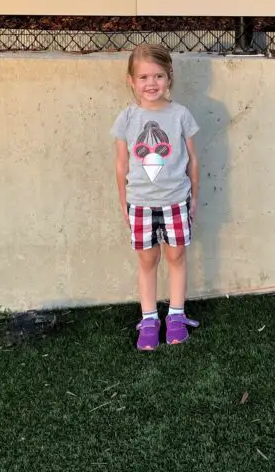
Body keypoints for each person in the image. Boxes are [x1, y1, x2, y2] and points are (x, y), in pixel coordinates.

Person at [110, 44, 201, 350]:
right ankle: (149, 319)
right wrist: (124, 201)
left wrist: (195, 198)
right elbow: (121, 164)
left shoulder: (180, 115)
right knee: (148, 260)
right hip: (141, 203)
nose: (152, 83)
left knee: (176, 256)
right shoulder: (127, 118)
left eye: (158, 76)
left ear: (169, 77)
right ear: (131, 81)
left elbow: (192, 160)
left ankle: (176, 315)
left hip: (176, 200)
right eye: (144, 77)